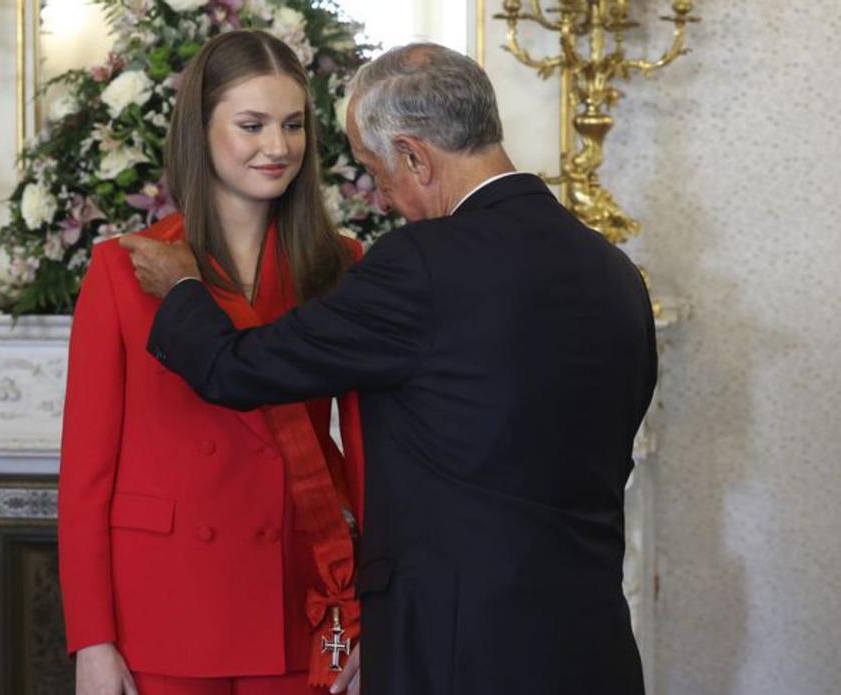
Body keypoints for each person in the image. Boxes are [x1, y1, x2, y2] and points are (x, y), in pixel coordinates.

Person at [122, 43, 657, 695]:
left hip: (456, 651)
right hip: (591, 642)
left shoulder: (423, 264)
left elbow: (237, 369)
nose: (388, 197)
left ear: (413, 155)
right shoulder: (614, 271)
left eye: (379, 174)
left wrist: (183, 289)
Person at [58, 30, 367, 695]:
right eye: (252, 125)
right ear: (201, 131)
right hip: (160, 606)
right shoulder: (123, 268)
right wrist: (91, 637)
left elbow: (376, 462)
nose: (277, 147)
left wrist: (377, 612)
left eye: (292, 125)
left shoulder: (341, 267)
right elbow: (86, 472)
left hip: (297, 596)